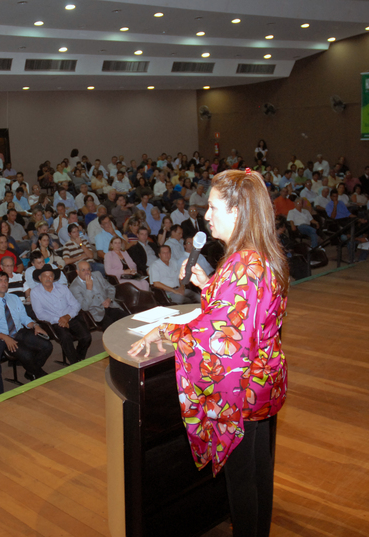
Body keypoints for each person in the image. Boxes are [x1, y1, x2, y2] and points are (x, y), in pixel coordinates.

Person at [129, 169, 289, 537]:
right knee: (260, 465)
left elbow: (220, 340)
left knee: (242, 478)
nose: (206, 215)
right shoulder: (259, 254)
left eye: (214, 207)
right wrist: (210, 285)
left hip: (242, 387)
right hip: (264, 378)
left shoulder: (242, 266)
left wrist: (165, 330)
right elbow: (244, 311)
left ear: (237, 211)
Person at [0, 271, 52, 381]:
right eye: (0, 281)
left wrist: (35, 325)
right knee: (27, 355)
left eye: (6, 280)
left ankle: (31, 371)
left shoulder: (14, 298)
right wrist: (6, 338)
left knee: (47, 346)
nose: (4, 283)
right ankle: (39, 374)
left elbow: (24, 317)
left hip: (20, 332)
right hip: (3, 338)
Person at [30, 264, 92, 364]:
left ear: (54, 277)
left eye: (50, 275)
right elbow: (40, 314)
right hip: (53, 322)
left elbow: (75, 305)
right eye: (45, 276)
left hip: (70, 317)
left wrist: (67, 317)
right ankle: (75, 363)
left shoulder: (62, 288)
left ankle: (79, 357)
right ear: (40, 278)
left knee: (86, 337)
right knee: (66, 337)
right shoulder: (35, 292)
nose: (48, 278)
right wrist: (59, 320)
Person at [69, 261, 127, 329]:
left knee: (127, 319)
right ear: (77, 272)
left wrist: (109, 299)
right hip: (97, 314)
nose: (87, 272)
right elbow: (84, 307)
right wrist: (89, 289)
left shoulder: (97, 275)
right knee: (113, 328)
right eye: (83, 270)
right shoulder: (74, 287)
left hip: (110, 306)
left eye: (88, 269)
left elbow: (111, 288)